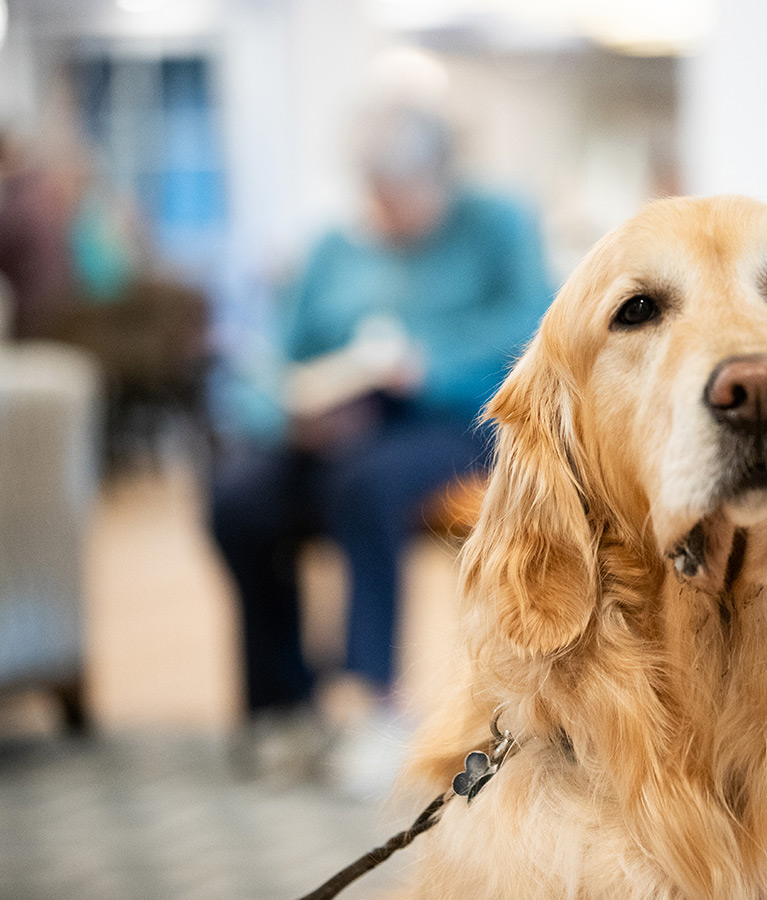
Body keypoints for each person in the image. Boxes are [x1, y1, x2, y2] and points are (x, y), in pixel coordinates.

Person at [210, 105, 552, 794]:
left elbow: (534, 331)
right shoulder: (335, 247)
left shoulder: (497, 226)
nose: (387, 211)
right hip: (338, 429)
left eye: (403, 194)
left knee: (365, 487)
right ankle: (284, 707)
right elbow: (277, 354)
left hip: (451, 423)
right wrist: (288, 410)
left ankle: (374, 702)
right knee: (238, 499)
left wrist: (431, 368)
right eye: (377, 194)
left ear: (442, 177)